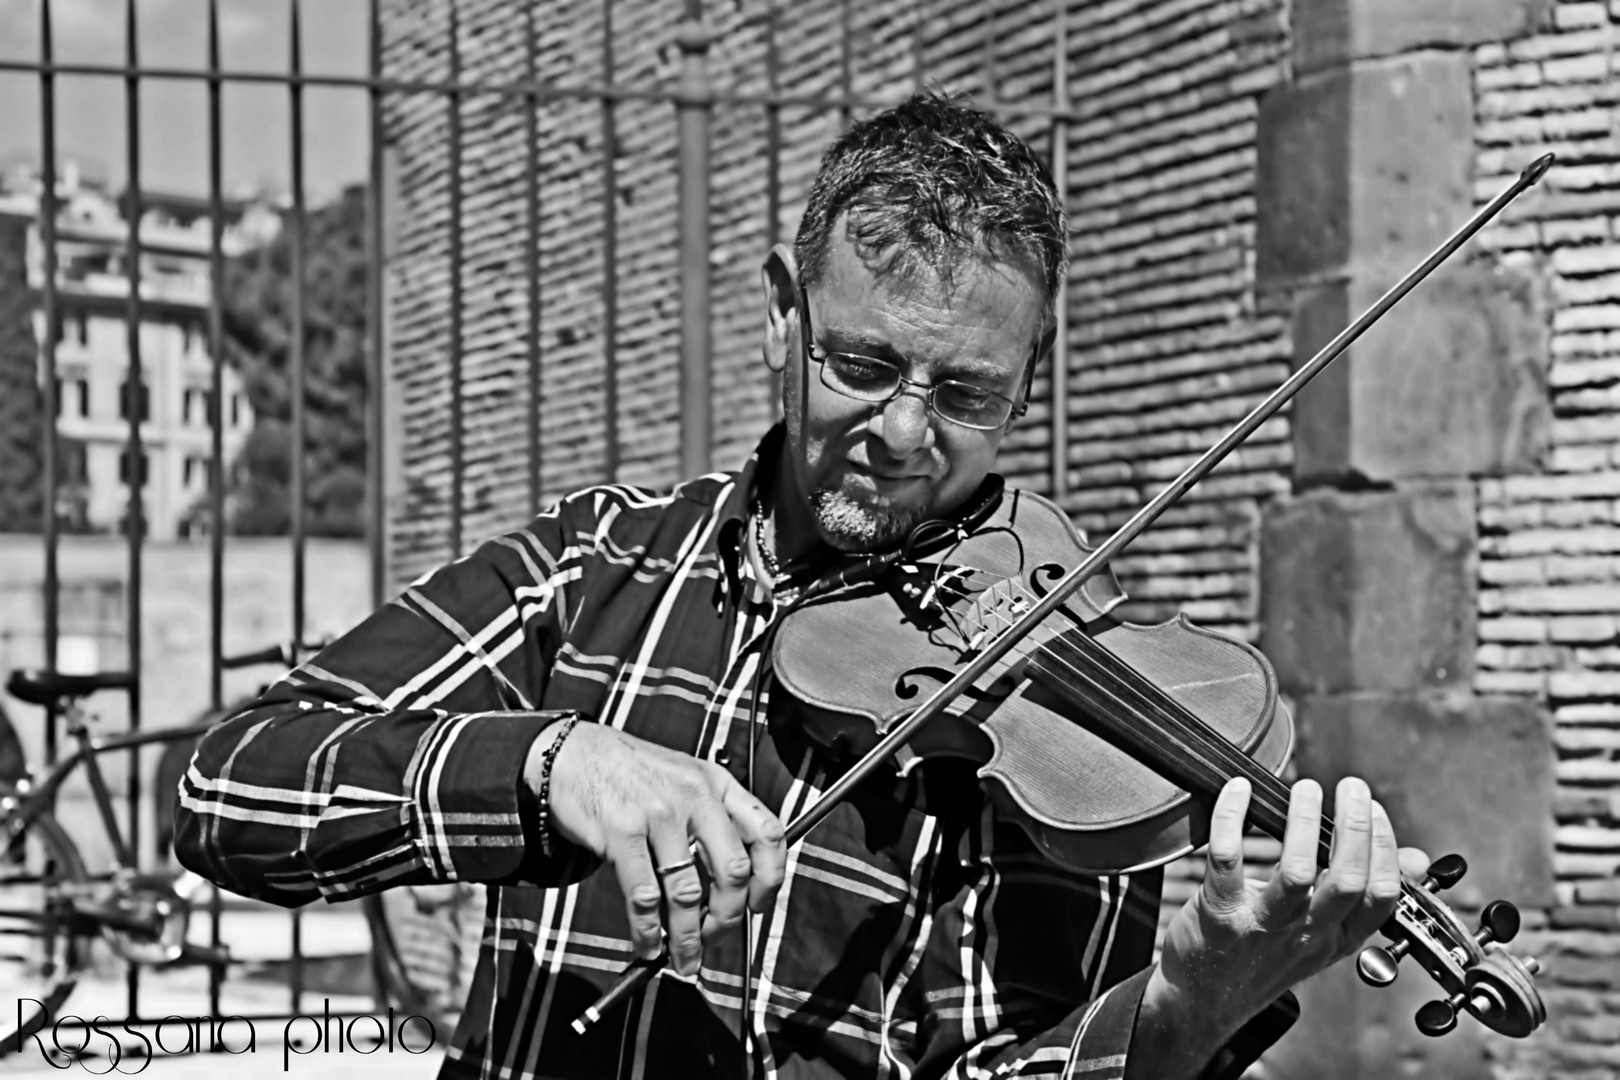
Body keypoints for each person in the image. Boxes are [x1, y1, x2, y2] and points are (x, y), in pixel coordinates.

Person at [174, 91, 1427, 1080]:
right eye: (865, 364)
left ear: (1028, 385)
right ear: (784, 315)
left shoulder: (1065, 718)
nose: (903, 433)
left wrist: (1182, 1009)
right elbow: (231, 781)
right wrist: (556, 765)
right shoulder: (599, 565)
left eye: (969, 395)